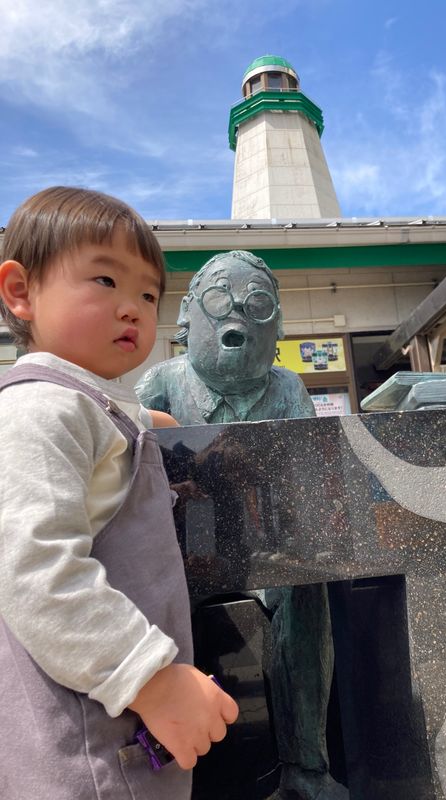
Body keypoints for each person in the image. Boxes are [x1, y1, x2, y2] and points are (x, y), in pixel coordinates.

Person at [0, 186, 238, 800]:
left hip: (121, 734)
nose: (132, 308)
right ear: (21, 292)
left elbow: (124, 426)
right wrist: (150, 680)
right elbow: (34, 571)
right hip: (92, 750)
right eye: (105, 281)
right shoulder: (38, 412)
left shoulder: (91, 404)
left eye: (148, 294)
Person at [137, 250, 349, 800]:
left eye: (257, 305)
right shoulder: (162, 384)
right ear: (186, 318)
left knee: (309, 597)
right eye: (219, 301)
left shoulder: (288, 388)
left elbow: (308, 475)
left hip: (269, 545)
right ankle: (175, 769)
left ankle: (306, 763)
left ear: (275, 325)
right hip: (188, 547)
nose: (238, 317)